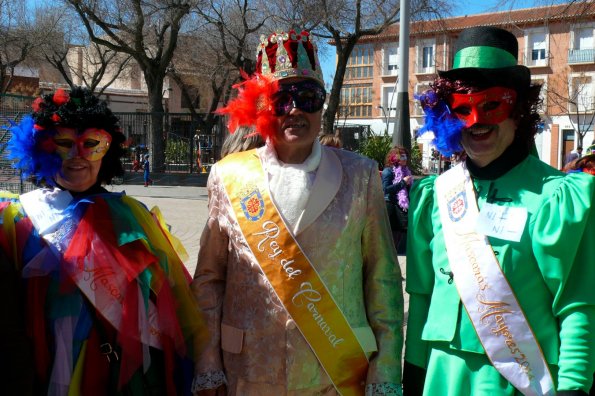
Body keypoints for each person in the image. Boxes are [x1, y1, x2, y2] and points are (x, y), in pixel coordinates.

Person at [191, 29, 403, 395]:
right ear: (262, 107)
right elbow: (209, 280)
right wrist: (208, 361)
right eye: (280, 99)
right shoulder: (228, 176)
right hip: (248, 370)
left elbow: (382, 279)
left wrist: (385, 368)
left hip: (336, 372)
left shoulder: (361, 174)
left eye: (308, 98)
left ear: (323, 105)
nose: (294, 110)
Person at [407, 26, 595, 395]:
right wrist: (413, 377)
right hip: (443, 378)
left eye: (492, 103)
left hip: (521, 383)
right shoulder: (434, 196)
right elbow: (422, 297)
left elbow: (580, 307)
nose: (477, 121)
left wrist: (574, 387)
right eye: (463, 109)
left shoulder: (558, 198)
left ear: (519, 110)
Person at [0, 87, 206, 395]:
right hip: (44, 369)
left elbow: (171, 300)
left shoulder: (135, 216)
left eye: (91, 144)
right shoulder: (15, 221)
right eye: (64, 143)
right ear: (43, 149)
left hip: (127, 374)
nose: (77, 156)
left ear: (108, 149)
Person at [381, 146, 413, 252]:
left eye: (406, 156)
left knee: (400, 234)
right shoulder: (388, 171)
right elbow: (385, 189)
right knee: (392, 236)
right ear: (395, 157)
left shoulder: (406, 171)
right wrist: (403, 182)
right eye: (402, 156)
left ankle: (393, 254)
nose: (405, 159)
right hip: (391, 207)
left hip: (401, 206)